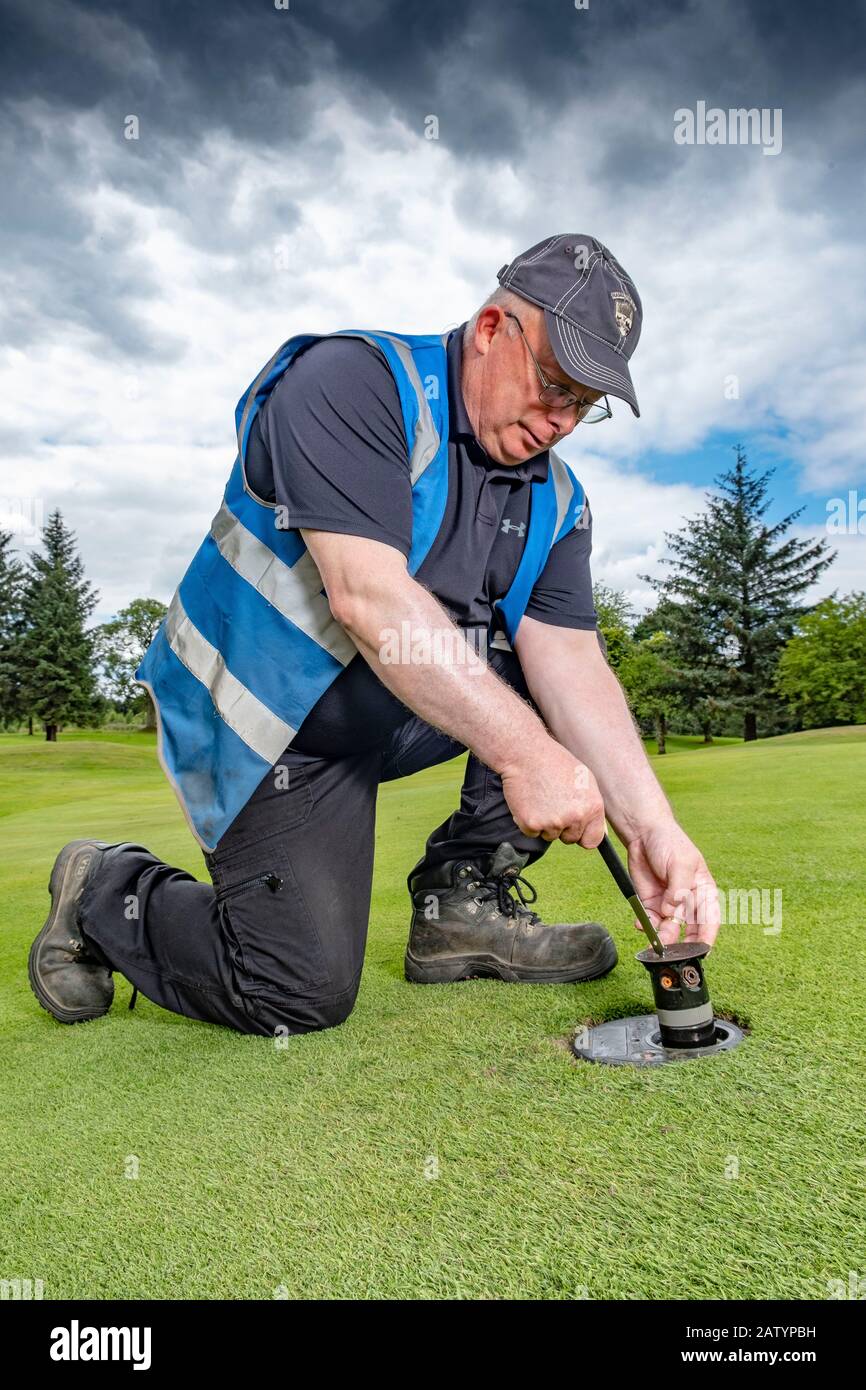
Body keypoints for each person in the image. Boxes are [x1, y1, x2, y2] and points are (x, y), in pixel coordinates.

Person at [28, 233, 721, 1037]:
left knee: (545, 680)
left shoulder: (559, 499)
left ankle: (458, 903)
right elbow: (369, 600)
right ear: (494, 329)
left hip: (392, 715)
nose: (560, 421)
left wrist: (654, 831)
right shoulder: (353, 383)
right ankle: (104, 888)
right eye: (553, 385)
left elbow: (571, 663)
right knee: (298, 993)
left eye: (583, 404)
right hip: (272, 730)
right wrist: (530, 756)